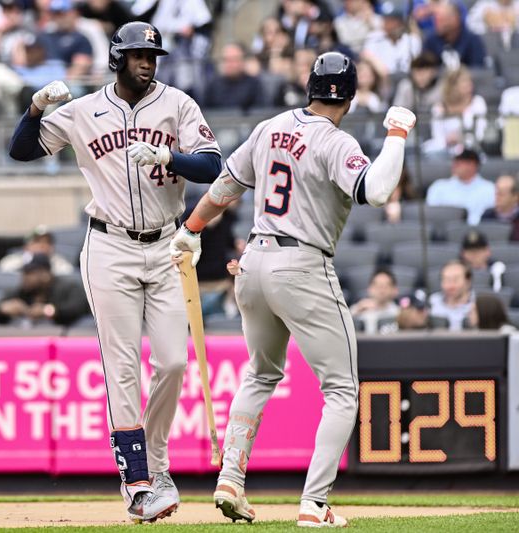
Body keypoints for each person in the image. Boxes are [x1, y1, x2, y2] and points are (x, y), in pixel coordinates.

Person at [169, 51, 415, 526]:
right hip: (302, 264)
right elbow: (378, 190)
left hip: (254, 261)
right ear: (351, 95)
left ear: (310, 88)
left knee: (259, 375)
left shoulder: (269, 127)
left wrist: (192, 229)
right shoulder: (335, 141)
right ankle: (314, 504)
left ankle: (231, 478)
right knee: (342, 390)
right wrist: (398, 132)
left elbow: (227, 184)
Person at [7, 21, 222, 523]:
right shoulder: (84, 111)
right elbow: (20, 149)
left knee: (171, 362)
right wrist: (36, 108)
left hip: (168, 243)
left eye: (153, 56)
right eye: (138, 56)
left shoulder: (178, 104)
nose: (147, 63)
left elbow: (213, 166)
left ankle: (157, 459)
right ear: (116, 58)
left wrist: (171, 155)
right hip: (109, 245)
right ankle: (139, 481)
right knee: (121, 367)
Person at [0, 253, 90, 326]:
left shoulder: (68, 287)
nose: (25, 277)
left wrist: (48, 311)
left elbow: (76, 308)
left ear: (45, 274)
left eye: (30, 273)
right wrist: (3, 309)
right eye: (24, 273)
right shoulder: (21, 291)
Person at [426, 148, 494, 225]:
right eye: (454, 161)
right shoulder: (438, 188)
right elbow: (431, 216)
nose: (455, 165)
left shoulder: (490, 189)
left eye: (459, 162)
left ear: (472, 165)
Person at [0, 225, 75, 275]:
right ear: (27, 246)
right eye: (37, 241)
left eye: (47, 242)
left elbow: (68, 273)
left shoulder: (58, 262)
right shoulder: (14, 260)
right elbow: (4, 269)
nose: (43, 245)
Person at [429, 259, 475, 331]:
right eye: (446, 280)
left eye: (455, 280)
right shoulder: (431, 302)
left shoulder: (478, 304)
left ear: (468, 281)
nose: (450, 285)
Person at [350, 268, 399, 334]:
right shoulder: (358, 309)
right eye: (377, 286)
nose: (382, 290)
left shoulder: (398, 313)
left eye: (386, 286)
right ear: (369, 289)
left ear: (394, 290)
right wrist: (357, 310)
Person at [481, 174, 519, 241]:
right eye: (496, 193)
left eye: (501, 194)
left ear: (515, 197)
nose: (497, 197)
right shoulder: (487, 216)